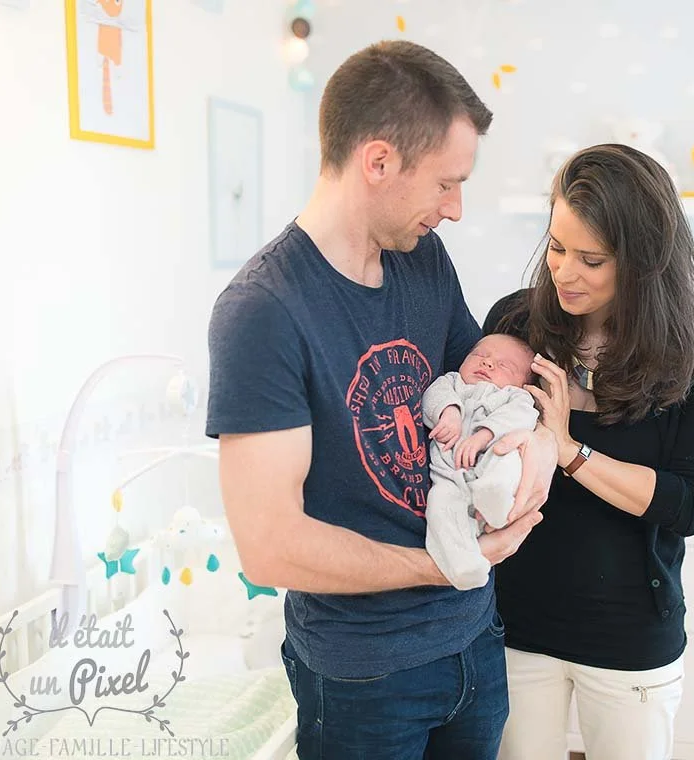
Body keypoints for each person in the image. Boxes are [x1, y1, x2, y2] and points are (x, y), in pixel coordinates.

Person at [204, 40, 558, 759]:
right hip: (364, 675)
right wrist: (445, 562)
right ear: (378, 162)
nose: (455, 210)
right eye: (445, 184)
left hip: (474, 642)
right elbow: (269, 547)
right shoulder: (264, 311)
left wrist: (544, 447)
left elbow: (487, 388)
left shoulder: (420, 257)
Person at [483, 143, 694, 760]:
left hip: (630, 639)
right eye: (557, 247)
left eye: (591, 260)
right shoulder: (516, 327)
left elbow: (689, 504)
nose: (564, 272)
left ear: (643, 263)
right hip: (517, 625)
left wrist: (569, 449)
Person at [423, 333, 539, 591]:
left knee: (508, 458)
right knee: (439, 505)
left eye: (504, 365)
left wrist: (484, 434)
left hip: (491, 461)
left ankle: (495, 495)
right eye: (479, 355)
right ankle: (464, 565)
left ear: (523, 384)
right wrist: (449, 412)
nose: (487, 364)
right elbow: (432, 396)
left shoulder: (515, 397)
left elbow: (523, 416)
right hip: (450, 478)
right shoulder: (451, 383)